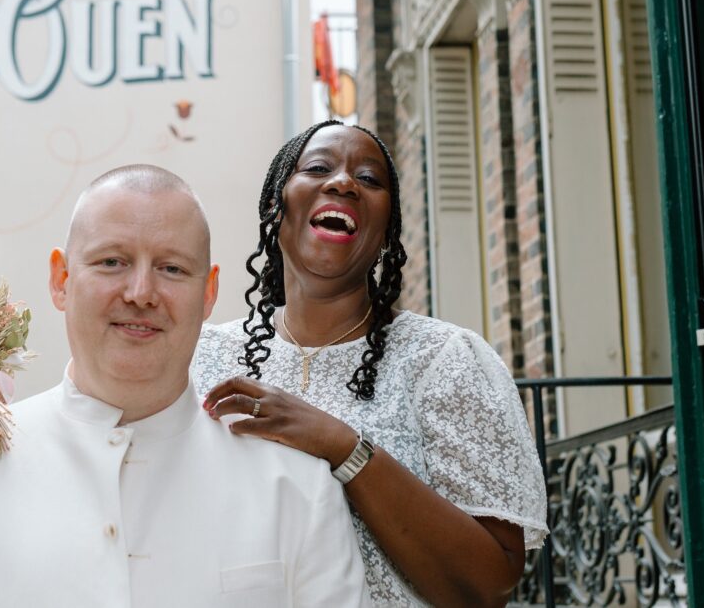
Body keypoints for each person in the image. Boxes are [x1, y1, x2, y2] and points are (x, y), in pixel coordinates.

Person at [0, 164, 371, 607]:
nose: (141, 294)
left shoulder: (296, 488)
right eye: (112, 262)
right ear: (61, 278)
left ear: (208, 293)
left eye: (172, 268)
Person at [192, 121, 548, 607]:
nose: (342, 183)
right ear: (276, 207)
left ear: (386, 233)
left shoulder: (444, 360)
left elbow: (487, 588)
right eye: (317, 168)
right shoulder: (202, 356)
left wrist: (344, 448)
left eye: (369, 179)